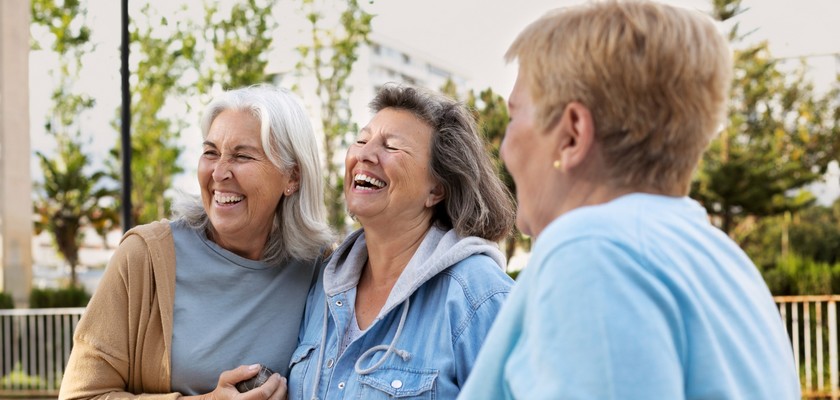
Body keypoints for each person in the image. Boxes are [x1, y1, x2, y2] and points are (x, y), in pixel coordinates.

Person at [458, 1, 801, 399]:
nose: (503, 148)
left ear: (571, 134)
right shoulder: (726, 262)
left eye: (514, 115)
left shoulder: (593, 252)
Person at [59, 84, 334, 400]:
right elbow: (80, 395)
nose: (219, 173)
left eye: (241, 155)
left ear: (293, 177)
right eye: (211, 152)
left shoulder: (323, 269)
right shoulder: (144, 256)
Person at [287, 84, 516, 399]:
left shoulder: (479, 296)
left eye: (391, 147)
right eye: (361, 140)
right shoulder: (322, 288)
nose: (364, 155)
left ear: (436, 189)